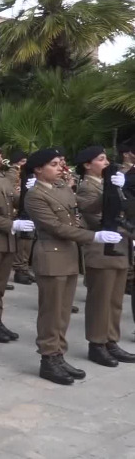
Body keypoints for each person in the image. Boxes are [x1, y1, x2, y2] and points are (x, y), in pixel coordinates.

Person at [24, 148, 122, 385]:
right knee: (51, 311)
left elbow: (85, 207)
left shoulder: (62, 188)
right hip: (51, 255)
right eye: (54, 164)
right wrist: (94, 237)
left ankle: (59, 355)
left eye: (61, 163)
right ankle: (48, 359)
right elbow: (56, 227)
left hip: (68, 255)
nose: (60, 168)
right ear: (38, 169)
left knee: (63, 311)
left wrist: (111, 188)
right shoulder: (34, 195)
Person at [73, 146, 135, 367]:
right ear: (87, 165)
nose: (106, 162)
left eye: (106, 158)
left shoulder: (112, 183)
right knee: (101, 300)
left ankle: (111, 340)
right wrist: (111, 191)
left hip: (121, 247)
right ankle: (97, 344)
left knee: (115, 301)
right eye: (100, 159)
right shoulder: (86, 187)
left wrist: (122, 189)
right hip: (101, 250)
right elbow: (93, 215)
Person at [0, 142, 32, 343]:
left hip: (8, 240)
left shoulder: (2, 177)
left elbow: (15, 201)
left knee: (0, 285)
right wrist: (13, 224)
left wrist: (29, 192)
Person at [7, 150, 35, 285]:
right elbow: (12, 191)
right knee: (23, 242)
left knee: (27, 241)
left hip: (23, 207)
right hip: (16, 210)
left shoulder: (24, 174)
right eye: (22, 161)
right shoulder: (13, 174)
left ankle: (23, 268)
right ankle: (20, 269)